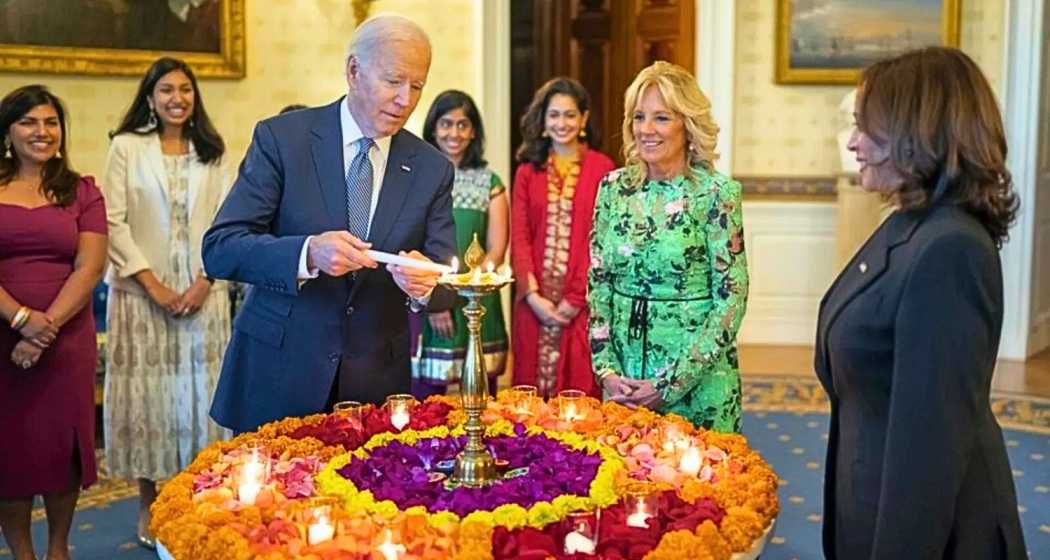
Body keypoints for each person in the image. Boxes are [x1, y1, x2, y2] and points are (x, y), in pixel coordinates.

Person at [814, 47, 1026, 558]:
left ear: (918, 134)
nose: (853, 144)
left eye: (866, 128)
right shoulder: (909, 225)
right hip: (872, 499)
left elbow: (928, 453)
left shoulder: (949, 249)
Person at [203, 14, 456, 433]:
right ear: (354, 71)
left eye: (417, 86)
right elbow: (221, 248)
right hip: (279, 372)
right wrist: (307, 253)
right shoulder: (283, 140)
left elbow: (445, 281)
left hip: (374, 388)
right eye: (393, 81)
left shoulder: (431, 168)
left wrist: (426, 286)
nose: (406, 100)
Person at [101, 56, 232, 547]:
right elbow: (112, 222)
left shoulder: (213, 151)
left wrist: (202, 281)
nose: (177, 98)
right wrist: (154, 286)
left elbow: (227, 222)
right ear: (150, 98)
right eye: (166, 90)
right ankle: (148, 502)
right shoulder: (126, 148)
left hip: (204, 293)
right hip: (142, 295)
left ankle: (199, 500)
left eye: (186, 89)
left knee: (201, 402)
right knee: (151, 401)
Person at [588, 61, 748, 431]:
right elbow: (598, 285)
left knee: (697, 487)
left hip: (698, 383)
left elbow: (732, 298)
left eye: (661, 118)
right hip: (624, 382)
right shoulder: (612, 188)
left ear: (688, 126)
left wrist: (670, 384)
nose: (646, 129)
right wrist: (607, 370)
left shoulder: (717, 194)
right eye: (638, 117)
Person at [0, 85, 108, 560]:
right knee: (9, 451)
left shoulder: (81, 189)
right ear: (8, 131)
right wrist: (20, 320)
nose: (41, 132)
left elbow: (90, 267)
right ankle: (21, 553)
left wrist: (43, 330)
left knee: (63, 449)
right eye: (29, 122)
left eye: (50, 122)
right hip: (1, 339)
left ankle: (59, 549)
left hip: (67, 342)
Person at [510, 77, 615, 399]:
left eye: (570, 115)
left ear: (583, 119)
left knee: (579, 393)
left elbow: (601, 239)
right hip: (534, 305)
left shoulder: (603, 169)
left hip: (582, 306)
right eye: (554, 115)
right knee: (529, 399)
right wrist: (532, 296)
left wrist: (575, 298)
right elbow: (520, 236)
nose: (562, 123)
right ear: (543, 120)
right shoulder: (528, 171)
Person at [411, 90, 508, 399]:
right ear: (433, 128)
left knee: (482, 393)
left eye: (463, 124)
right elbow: (412, 241)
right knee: (428, 397)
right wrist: (437, 298)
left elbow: (496, 248)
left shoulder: (488, 181)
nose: (454, 133)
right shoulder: (416, 177)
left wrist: (471, 291)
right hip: (431, 294)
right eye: (446, 123)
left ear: (474, 130)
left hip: (477, 296)